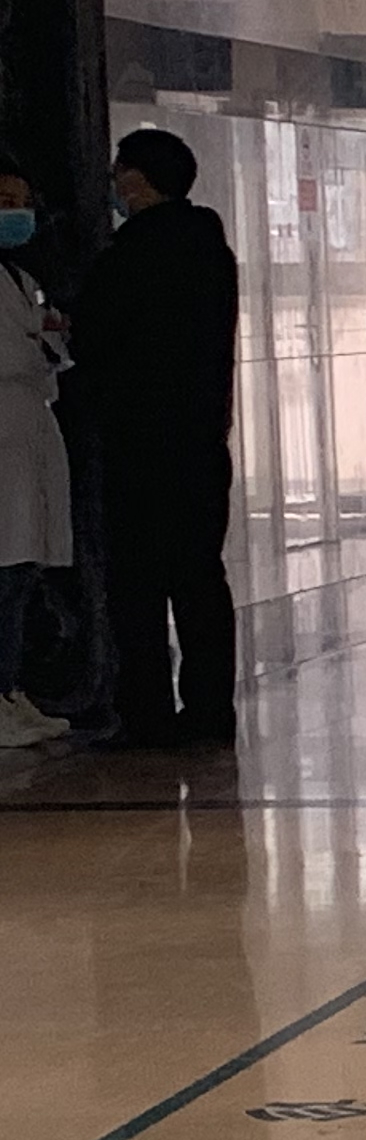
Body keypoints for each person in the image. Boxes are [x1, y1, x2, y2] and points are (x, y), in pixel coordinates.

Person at [74, 128, 240, 750]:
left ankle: (146, 714)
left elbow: (95, 340)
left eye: (120, 171)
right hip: (200, 441)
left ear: (137, 180)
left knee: (138, 582)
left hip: (139, 442)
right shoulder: (210, 249)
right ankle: (210, 711)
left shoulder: (129, 256)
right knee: (199, 578)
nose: (115, 183)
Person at [0, 153, 72, 748]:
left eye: (22, 204)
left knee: (22, 571)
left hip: (27, 431)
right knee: (6, 569)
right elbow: (17, 354)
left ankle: (11, 689)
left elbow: (47, 349)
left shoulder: (21, 279)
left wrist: (45, 343)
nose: (17, 215)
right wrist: (40, 345)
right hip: (8, 436)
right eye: (5, 203)